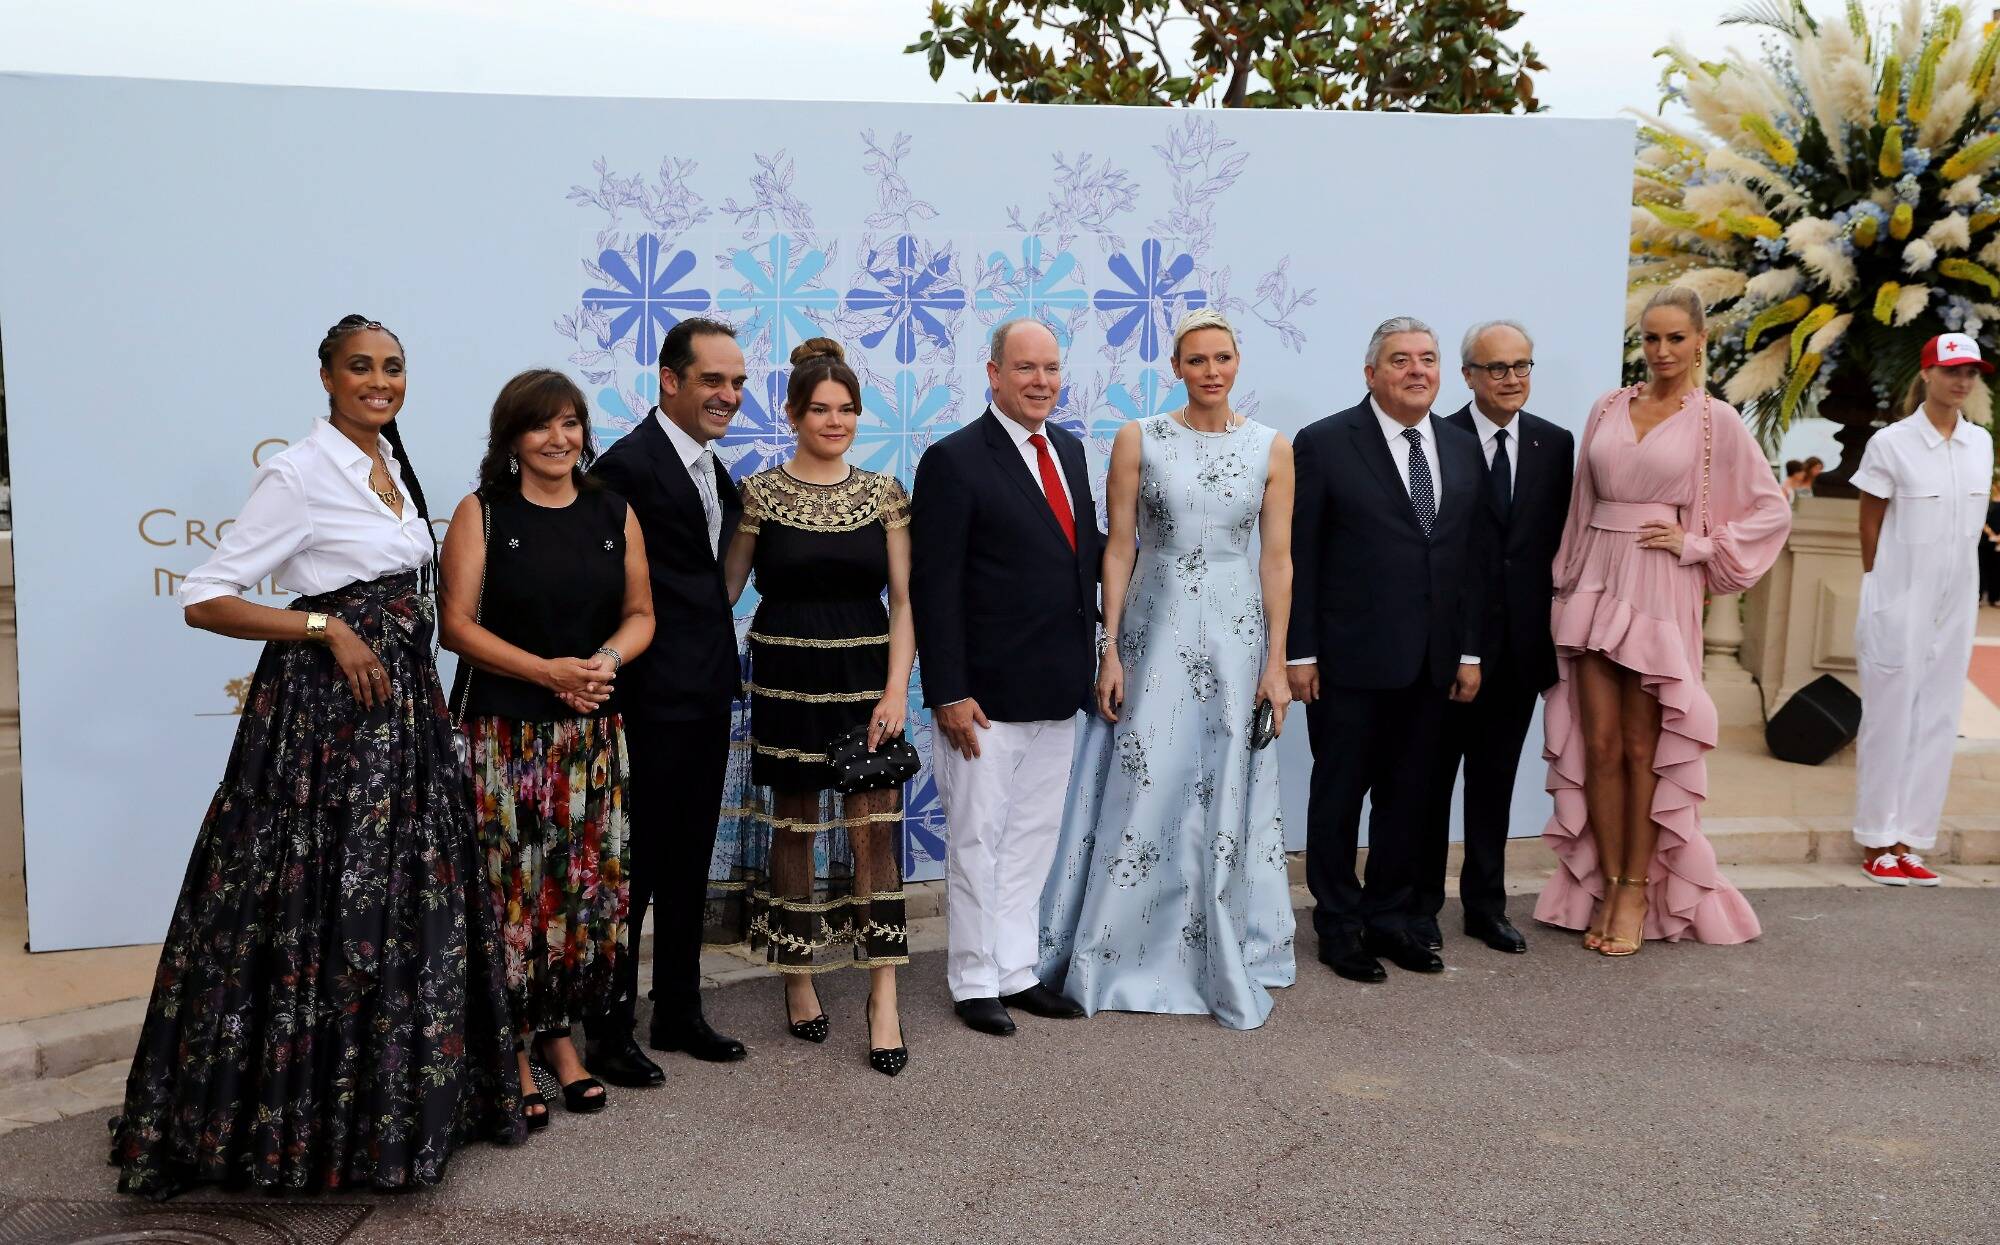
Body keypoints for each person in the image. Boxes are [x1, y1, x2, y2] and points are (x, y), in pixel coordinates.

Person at [113, 315, 521, 1196]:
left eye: (394, 368)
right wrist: (324, 627)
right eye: (362, 367)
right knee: (322, 903)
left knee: (401, 904)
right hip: (326, 727)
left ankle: (394, 1113)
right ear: (327, 377)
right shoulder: (298, 472)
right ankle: (302, 1125)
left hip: (401, 721)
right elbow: (204, 598)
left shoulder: (391, 467)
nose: (381, 381)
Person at [1037, 309, 1298, 1030]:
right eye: (1196, 359)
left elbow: (1276, 560)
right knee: (1144, 777)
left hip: (1237, 632)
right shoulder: (1138, 437)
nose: (1211, 370)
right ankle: (1111, 950)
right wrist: (1110, 645)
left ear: (1237, 363)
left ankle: (1222, 944)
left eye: (1222, 357)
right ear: (1176, 367)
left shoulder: (1271, 448)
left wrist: (1276, 661)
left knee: (1223, 781)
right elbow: (1117, 548)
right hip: (1154, 628)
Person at [1534, 286, 1790, 955]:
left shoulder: (1716, 422)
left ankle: (1633, 889)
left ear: (1701, 340)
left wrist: (1698, 546)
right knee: (1600, 746)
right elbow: (1580, 504)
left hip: (1658, 588)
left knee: (1647, 748)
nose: (1663, 350)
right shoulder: (1608, 407)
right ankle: (1610, 882)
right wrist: (1564, 585)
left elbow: (1771, 509)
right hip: (1594, 581)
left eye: (1676, 338)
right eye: (1651, 338)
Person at [440, 369, 654, 1125]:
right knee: (511, 895)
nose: (559, 439)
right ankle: (514, 1048)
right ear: (512, 439)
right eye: (541, 426)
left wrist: (604, 664)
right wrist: (546, 671)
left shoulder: (612, 510)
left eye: (570, 423)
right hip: (502, 734)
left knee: (577, 892)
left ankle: (563, 1040)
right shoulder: (483, 513)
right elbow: (456, 626)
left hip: (589, 738)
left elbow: (639, 613)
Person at [717, 338, 914, 1076]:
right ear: (793, 414)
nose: (836, 420)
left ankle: (882, 997)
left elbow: (907, 600)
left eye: (847, 409)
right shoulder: (760, 493)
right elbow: (725, 592)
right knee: (793, 829)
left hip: (867, 678)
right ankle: (798, 980)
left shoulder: (888, 493)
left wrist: (897, 689)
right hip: (785, 680)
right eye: (821, 409)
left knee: (875, 835)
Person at [911, 318, 1104, 1036]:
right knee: (975, 841)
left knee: (1032, 840)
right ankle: (972, 978)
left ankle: (1017, 969)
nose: (1041, 382)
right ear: (993, 373)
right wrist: (949, 691)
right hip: (982, 700)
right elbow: (937, 588)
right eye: (1026, 368)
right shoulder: (955, 460)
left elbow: (1074, 557)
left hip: (1057, 690)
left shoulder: (1071, 451)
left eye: (1051, 368)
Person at [1286, 316, 1493, 984]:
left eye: (1427, 359)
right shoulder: (1323, 443)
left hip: (1434, 665)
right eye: (1400, 359)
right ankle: (1340, 926)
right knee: (1341, 797)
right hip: (1348, 661)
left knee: (1412, 799)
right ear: (1371, 372)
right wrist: (1301, 651)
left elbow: (1472, 563)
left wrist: (1469, 652)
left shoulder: (1462, 447)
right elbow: (1303, 556)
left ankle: (1390, 918)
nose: (1416, 370)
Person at [583, 317, 748, 1083]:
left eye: (738, 382)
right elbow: (605, 592)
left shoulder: (714, 469)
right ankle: (610, 1030)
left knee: (688, 860)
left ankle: (678, 1009)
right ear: (670, 380)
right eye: (713, 379)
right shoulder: (627, 468)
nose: (728, 395)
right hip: (648, 700)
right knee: (638, 868)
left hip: (707, 693)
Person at [1422, 320, 1573, 955]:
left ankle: (1486, 905)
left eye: (1522, 367)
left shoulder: (1554, 444)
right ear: (1468, 376)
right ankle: (1419, 908)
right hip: (1444, 647)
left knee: (1494, 786)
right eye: (1496, 368)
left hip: (1518, 650)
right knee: (1428, 784)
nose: (1511, 379)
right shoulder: (1435, 437)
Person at [1850, 333, 1996, 884]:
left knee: (1938, 714)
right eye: (1953, 371)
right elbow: (1870, 518)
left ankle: (1913, 839)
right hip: (1898, 590)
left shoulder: (1979, 443)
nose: (1962, 382)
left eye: (1971, 373)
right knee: (1890, 714)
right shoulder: (1892, 443)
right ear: (1928, 373)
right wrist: (1879, 584)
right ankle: (1876, 840)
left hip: (1957, 595)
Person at [1981, 480, 2000, 607]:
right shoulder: (1986, 502)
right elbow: (1981, 519)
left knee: (1997, 570)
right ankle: (1978, 597)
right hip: (1985, 540)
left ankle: (1995, 597)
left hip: (1998, 541)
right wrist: (1991, 534)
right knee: (1982, 568)